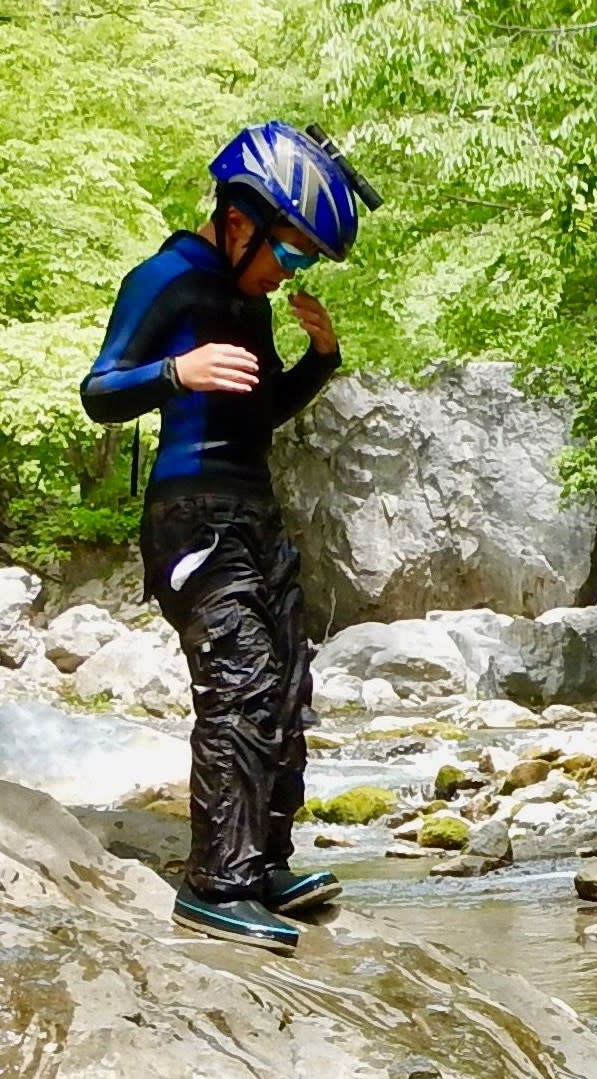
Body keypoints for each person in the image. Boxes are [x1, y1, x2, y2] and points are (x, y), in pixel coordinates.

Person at [81, 122, 380, 954]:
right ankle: (215, 886)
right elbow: (100, 392)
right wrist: (175, 372)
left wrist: (319, 357)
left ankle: (263, 862)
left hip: (254, 510)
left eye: (305, 263)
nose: (292, 272)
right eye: (291, 254)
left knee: (286, 684)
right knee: (240, 685)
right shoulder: (165, 279)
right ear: (241, 219)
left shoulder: (247, 299)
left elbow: (258, 413)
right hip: (190, 518)